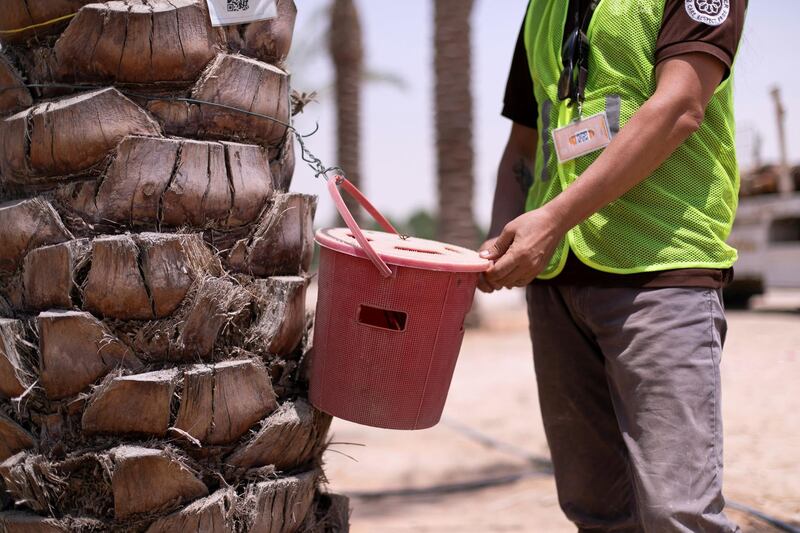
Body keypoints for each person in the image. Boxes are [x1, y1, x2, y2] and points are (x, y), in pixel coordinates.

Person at [480, 0, 746, 531]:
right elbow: (524, 142)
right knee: (595, 511)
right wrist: (498, 238)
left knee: (679, 514)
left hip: (662, 274)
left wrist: (550, 220)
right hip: (557, 286)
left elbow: (681, 105)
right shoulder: (543, 9)